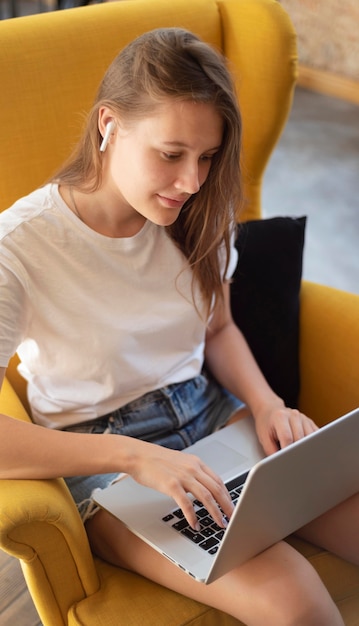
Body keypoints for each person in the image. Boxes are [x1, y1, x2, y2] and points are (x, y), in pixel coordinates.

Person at [0, 28, 357, 626]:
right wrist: (136, 457)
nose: (191, 181)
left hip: (213, 416)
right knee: (296, 603)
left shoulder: (199, 213)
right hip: (105, 461)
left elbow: (217, 331)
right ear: (108, 126)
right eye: (170, 154)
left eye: (207, 156)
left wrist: (267, 405)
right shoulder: (21, 247)